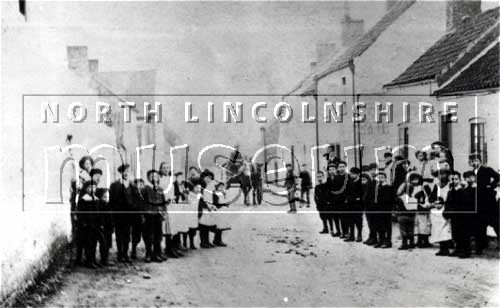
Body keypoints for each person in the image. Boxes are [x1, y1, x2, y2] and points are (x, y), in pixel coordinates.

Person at [469, 154, 499, 254]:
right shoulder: (471, 173)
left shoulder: (487, 170)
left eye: (476, 160)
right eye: (472, 161)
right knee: (479, 225)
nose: (474, 163)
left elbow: (498, 177)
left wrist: (490, 186)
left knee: (495, 223)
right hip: (478, 202)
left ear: (480, 161)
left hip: (489, 201)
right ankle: (480, 247)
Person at [70, 156, 94, 266]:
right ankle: (78, 258)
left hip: (90, 209)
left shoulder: (92, 176)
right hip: (81, 208)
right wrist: (75, 211)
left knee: (90, 235)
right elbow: (76, 195)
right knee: (80, 235)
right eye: (86, 163)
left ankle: (89, 258)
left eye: (89, 163)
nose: (88, 165)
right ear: (82, 165)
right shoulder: (80, 176)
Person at [77, 181, 107, 268]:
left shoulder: (96, 199)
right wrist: (83, 223)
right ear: (86, 189)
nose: (92, 189)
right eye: (90, 187)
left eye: (94, 187)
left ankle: (93, 260)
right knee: (88, 244)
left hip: (95, 225)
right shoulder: (83, 199)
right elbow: (80, 213)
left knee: (94, 243)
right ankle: (88, 261)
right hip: (87, 225)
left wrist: (100, 222)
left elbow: (99, 212)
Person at [109, 163, 135, 263]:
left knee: (127, 235)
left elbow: (135, 199)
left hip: (129, 215)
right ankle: (120, 254)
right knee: (119, 234)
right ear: (121, 172)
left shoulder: (132, 185)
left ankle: (125, 253)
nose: (126, 173)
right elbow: (111, 201)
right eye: (124, 171)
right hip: (118, 214)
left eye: (128, 171)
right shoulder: (114, 185)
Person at [143, 169, 168, 262]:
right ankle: (148, 254)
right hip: (149, 215)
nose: (154, 178)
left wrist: (164, 212)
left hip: (158, 214)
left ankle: (157, 253)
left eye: (156, 176)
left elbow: (163, 202)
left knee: (158, 235)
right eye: (152, 176)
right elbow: (142, 203)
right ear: (148, 178)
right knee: (149, 235)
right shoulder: (146, 188)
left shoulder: (160, 189)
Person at [396, 173, 425, 250]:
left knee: (403, 230)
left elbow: (399, 206)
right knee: (410, 230)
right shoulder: (415, 198)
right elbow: (415, 208)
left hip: (402, 216)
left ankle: (404, 243)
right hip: (412, 216)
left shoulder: (401, 198)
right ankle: (411, 243)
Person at [444, 171, 470, 258]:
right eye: (452, 179)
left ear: (459, 180)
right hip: (453, 216)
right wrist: (446, 213)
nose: (454, 181)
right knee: (455, 233)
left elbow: (466, 205)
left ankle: (465, 251)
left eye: (456, 179)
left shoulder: (463, 191)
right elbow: (447, 203)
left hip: (462, 216)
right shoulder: (450, 192)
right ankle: (458, 249)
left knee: (463, 233)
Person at [430, 170, 453, 256]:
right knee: (438, 229)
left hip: (447, 208)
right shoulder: (436, 186)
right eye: (439, 175)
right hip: (438, 208)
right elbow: (432, 197)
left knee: (446, 229)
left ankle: (447, 248)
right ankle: (442, 247)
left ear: (447, 175)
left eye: (443, 174)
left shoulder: (450, 185)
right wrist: (436, 202)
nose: (441, 176)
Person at [373, 172, 393, 248]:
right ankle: (381, 240)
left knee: (387, 226)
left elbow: (390, 200)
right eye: (379, 177)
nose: (380, 179)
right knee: (379, 225)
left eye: (382, 177)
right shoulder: (377, 187)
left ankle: (388, 241)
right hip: (378, 209)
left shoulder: (388, 187)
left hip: (386, 210)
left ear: (385, 178)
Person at [199, 170, 217, 248]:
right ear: (203, 178)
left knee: (208, 225)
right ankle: (203, 242)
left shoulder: (211, 188)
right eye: (206, 178)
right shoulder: (201, 187)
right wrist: (206, 206)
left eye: (210, 178)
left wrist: (213, 205)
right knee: (203, 226)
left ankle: (207, 241)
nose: (208, 180)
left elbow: (212, 198)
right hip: (203, 208)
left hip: (210, 208)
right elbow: (200, 199)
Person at [345, 167, 363, 242]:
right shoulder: (349, 182)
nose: (351, 175)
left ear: (358, 174)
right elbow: (346, 193)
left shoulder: (361, 183)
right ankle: (351, 235)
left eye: (353, 174)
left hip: (358, 205)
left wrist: (357, 199)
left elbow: (361, 194)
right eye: (351, 173)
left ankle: (359, 235)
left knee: (358, 220)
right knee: (350, 220)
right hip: (350, 204)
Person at [130, 179, 147, 260]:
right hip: (136, 217)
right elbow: (133, 205)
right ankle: (133, 251)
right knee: (135, 236)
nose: (140, 185)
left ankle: (148, 252)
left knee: (146, 236)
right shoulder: (133, 194)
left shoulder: (145, 193)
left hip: (145, 216)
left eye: (141, 184)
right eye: (138, 184)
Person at [326, 164, 342, 236]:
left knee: (339, 217)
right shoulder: (329, 179)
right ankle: (337, 231)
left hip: (338, 200)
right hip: (331, 200)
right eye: (330, 170)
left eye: (333, 169)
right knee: (333, 216)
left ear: (336, 170)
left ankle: (342, 231)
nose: (331, 171)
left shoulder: (339, 178)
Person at [362, 171, 377, 245]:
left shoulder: (371, 185)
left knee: (373, 223)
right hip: (367, 207)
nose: (363, 181)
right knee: (370, 223)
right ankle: (371, 237)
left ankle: (374, 238)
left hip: (372, 207)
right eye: (362, 180)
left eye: (364, 180)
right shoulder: (363, 187)